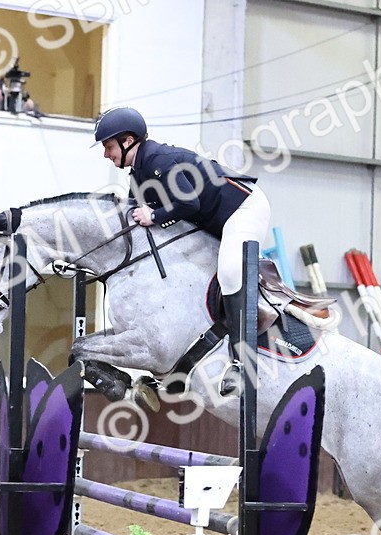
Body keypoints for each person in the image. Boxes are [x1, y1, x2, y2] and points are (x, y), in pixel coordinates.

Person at [93, 106, 269, 397]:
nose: (106, 154)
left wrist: (155, 216)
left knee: (228, 272)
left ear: (127, 141)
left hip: (243, 208)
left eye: (109, 146)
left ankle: (243, 364)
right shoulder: (138, 174)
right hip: (215, 219)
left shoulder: (159, 160)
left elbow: (189, 205)